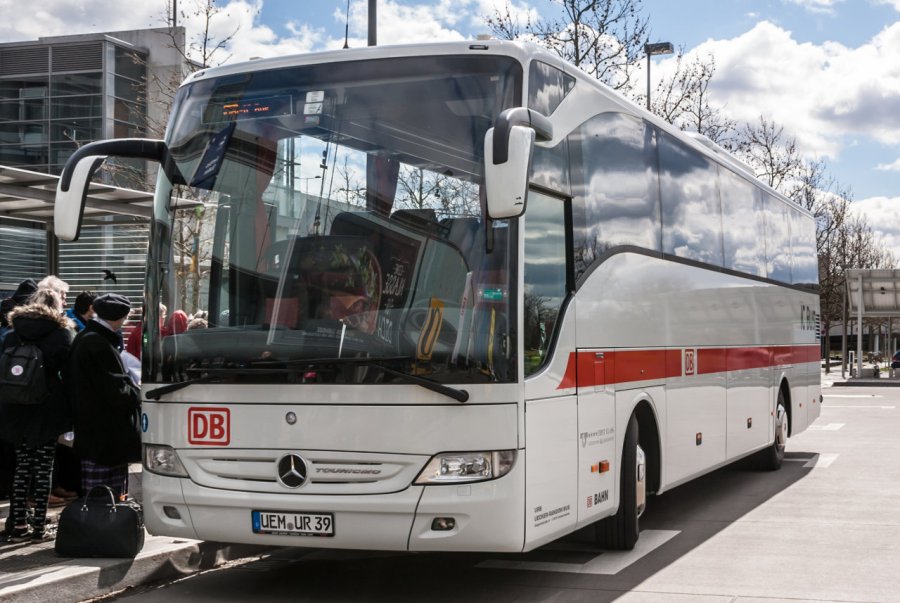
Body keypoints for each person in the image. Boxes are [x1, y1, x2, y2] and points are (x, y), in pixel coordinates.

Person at [0, 288, 74, 542]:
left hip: (15, 408)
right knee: (43, 469)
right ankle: (39, 526)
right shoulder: (61, 334)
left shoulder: (12, 332)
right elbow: (69, 373)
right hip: (46, 410)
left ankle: (19, 524)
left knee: (21, 467)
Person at [66, 293, 141, 498]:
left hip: (92, 429)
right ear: (119, 317)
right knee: (107, 495)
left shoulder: (87, 337)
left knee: (98, 494)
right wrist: (137, 391)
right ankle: (103, 527)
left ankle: (98, 526)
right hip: (105, 432)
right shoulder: (99, 344)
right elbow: (117, 392)